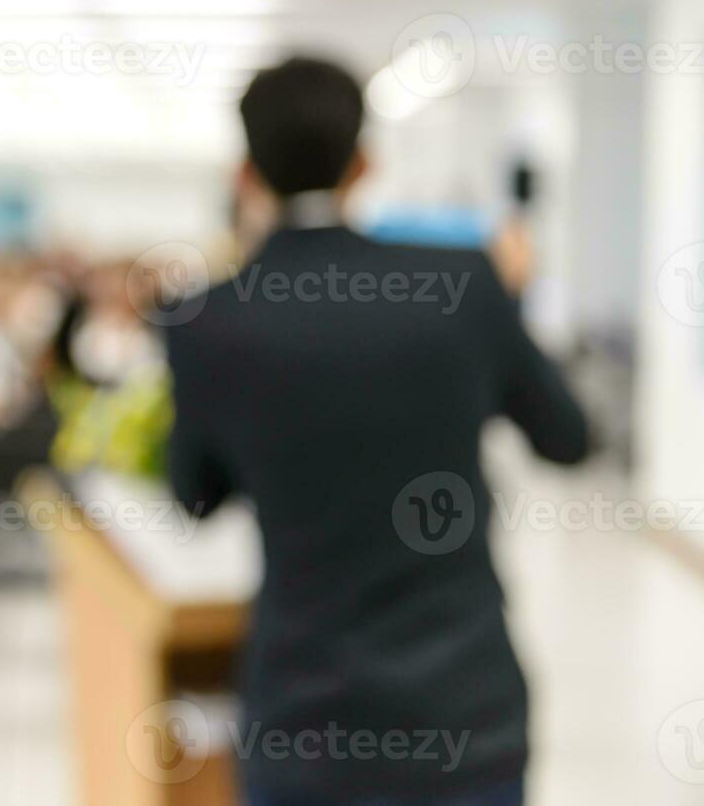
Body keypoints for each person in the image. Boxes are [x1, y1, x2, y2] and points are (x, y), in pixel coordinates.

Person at [163, 57, 589, 805]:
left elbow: (193, 496)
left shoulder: (209, 320)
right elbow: (568, 439)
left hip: (304, 725)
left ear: (245, 173)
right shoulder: (463, 284)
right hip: (464, 718)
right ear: (365, 163)